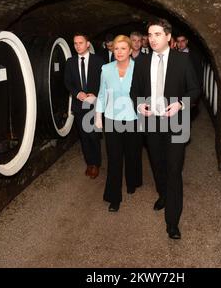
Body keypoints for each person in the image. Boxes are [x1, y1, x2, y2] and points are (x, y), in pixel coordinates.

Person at [130, 19, 200, 239]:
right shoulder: (141, 62)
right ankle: (163, 194)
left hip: (176, 122)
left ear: (168, 37)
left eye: (157, 34)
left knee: (174, 169)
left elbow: (195, 90)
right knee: (157, 164)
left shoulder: (183, 60)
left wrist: (180, 104)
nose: (152, 39)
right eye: (149, 35)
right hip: (152, 122)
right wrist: (140, 104)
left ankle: (172, 221)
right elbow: (134, 92)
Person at [95, 35, 143, 212]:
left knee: (132, 154)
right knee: (114, 159)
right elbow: (101, 94)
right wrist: (98, 117)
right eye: (116, 48)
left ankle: (132, 181)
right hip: (112, 119)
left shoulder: (139, 68)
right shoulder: (106, 69)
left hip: (134, 119)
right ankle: (113, 197)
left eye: (123, 48)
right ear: (112, 50)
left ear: (131, 50)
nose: (119, 52)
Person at [64, 33, 104, 179]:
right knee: (84, 136)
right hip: (79, 105)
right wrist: (77, 93)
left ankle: (96, 163)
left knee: (93, 135)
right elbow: (67, 82)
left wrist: (96, 95)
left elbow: (104, 82)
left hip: (94, 104)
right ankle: (90, 163)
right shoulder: (70, 62)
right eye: (75, 43)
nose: (77, 46)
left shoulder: (98, 61)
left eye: (81, 43)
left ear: (88, 44)